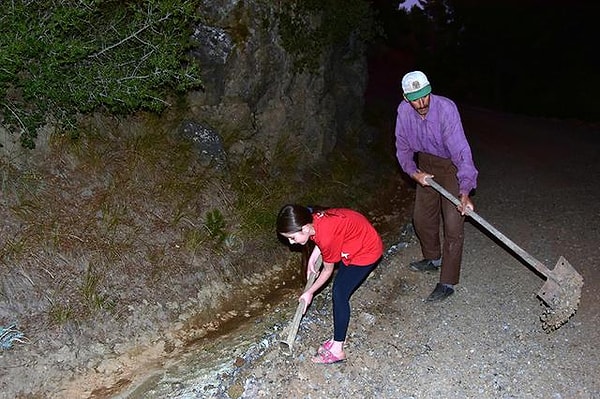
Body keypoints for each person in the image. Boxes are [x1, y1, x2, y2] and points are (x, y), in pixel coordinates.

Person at [394, 71, 478, 302]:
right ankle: (433, 258)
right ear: (405, 98)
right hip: (424, 165)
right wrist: (414, 172)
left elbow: (461, 151)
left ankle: (448, 281)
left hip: (449, 166)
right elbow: (402, 149)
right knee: (421, 218)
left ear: (430, 91)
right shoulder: (403, 112)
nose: (421, 104)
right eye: (415, 99)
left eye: (425, 96)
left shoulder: (445, 109)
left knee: (453, 223)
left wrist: (465, 190)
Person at [276, 204, 383, 364]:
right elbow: (321, 237)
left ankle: (338, 349)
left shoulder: (326, 235)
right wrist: (313, 257)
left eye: (292, 237)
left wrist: (309, 292)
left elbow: (327, 271)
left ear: (304, 228)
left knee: (339, 293)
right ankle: (336, 341)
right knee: (339, 289)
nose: (291, 243)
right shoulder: (313, 218)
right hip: (353, 242)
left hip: (366, 250)